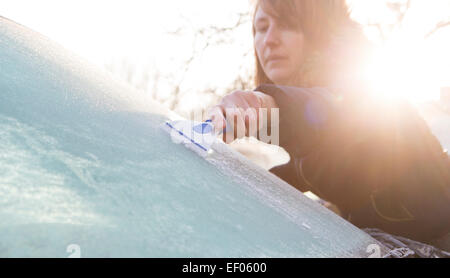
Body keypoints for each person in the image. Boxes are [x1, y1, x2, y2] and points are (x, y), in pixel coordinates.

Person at [208, 0, 450, 248]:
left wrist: (262, 104)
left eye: (288, 24)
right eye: (261, 27)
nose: (269, 39)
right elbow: (313, 166)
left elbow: (330, 112)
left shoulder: (359, 88)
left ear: (320, 29)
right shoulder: (316, 125)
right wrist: (239, 184)